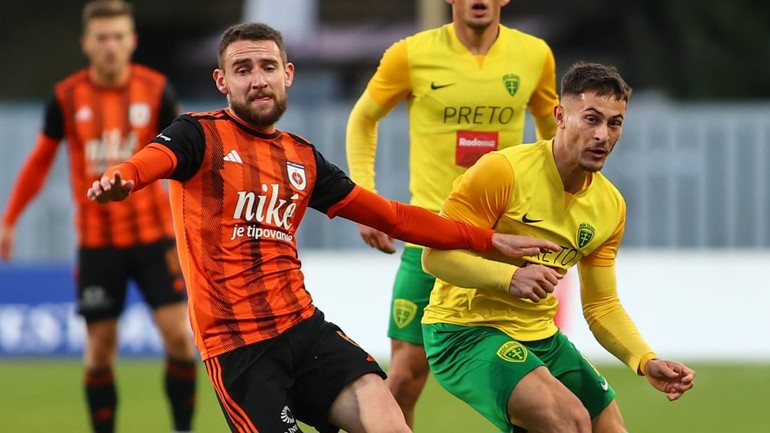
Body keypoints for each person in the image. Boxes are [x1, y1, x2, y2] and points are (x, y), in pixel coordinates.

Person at [86, 22, 559, 433]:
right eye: (243, 70)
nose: (258, 80)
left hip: (306, 330)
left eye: (268, 67)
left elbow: (393, 217)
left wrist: (489, 239)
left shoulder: (302, 157)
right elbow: (154, 158)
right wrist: (124, 177)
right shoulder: (198, 134)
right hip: (240, 350)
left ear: (288, 74)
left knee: (389, 418)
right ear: (222, 81)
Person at [420, 62, 696, 433]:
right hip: (464, 332)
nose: (603, 135)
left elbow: (601, 304)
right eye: (592, 119)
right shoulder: (502, 171)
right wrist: (509, 277)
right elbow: (435, 256)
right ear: (560, 116)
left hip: (541, 336)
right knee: (570, 420)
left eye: (614, 123)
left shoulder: (610, 206)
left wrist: (644, 360)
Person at [345, 0, 559, 426]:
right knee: (403, 380)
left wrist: (554, 206)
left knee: (529, 385)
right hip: (431, 239)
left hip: (501, 244)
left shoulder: (535, 55)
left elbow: (554, 133)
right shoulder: (411, 54)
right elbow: (363, 118)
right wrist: (365, 201)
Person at [0, 1, 197, 432]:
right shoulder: (66, 97)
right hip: (97, 243)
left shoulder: (156, 90)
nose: (111, 46)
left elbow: (188, 155)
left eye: (118, 36)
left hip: (155, 238)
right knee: (100, 350)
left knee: (181, 339)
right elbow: (39, 161)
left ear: (132, 41)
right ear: (86, 43)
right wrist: (9, 219)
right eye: (102, 37)